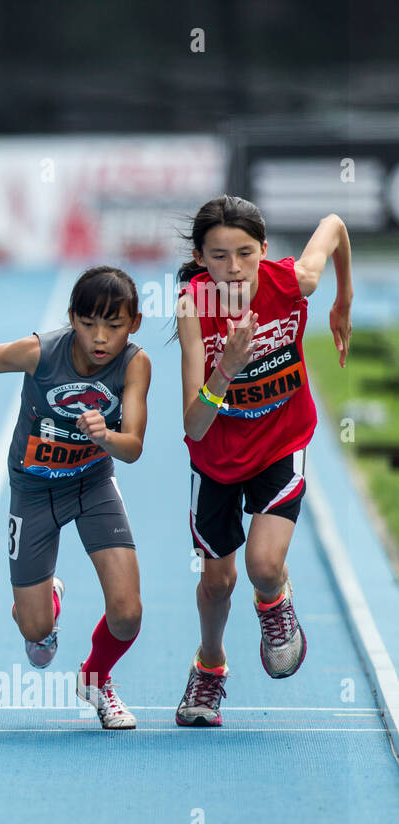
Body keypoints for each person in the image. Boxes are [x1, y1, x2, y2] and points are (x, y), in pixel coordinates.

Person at [0, 266, 151, 730]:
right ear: (71, 318)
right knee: (37, 635)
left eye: (115, 325)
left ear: (134, 323)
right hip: (34, 490)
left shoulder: (135, 364)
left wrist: (106, 437)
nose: (101, 338)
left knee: (127, 614)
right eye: (88, 324)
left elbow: (134, 446)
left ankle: (95, 679)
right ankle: (46, 601)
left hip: (93, 484)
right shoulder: (41, 353)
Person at [172, 195, 352, 727]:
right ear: (200, 258)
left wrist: (342, 300)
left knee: (264, 567)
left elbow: (334, 224)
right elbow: (193, 424)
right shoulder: (192, 309)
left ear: (264, 250)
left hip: (280, 440)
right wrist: (226, 367)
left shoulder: (293, 283)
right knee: (217, 583)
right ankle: (210, 664)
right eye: (219, 256)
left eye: (245, 253)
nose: (234, 268)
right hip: (217, 458)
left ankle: (273, 601)